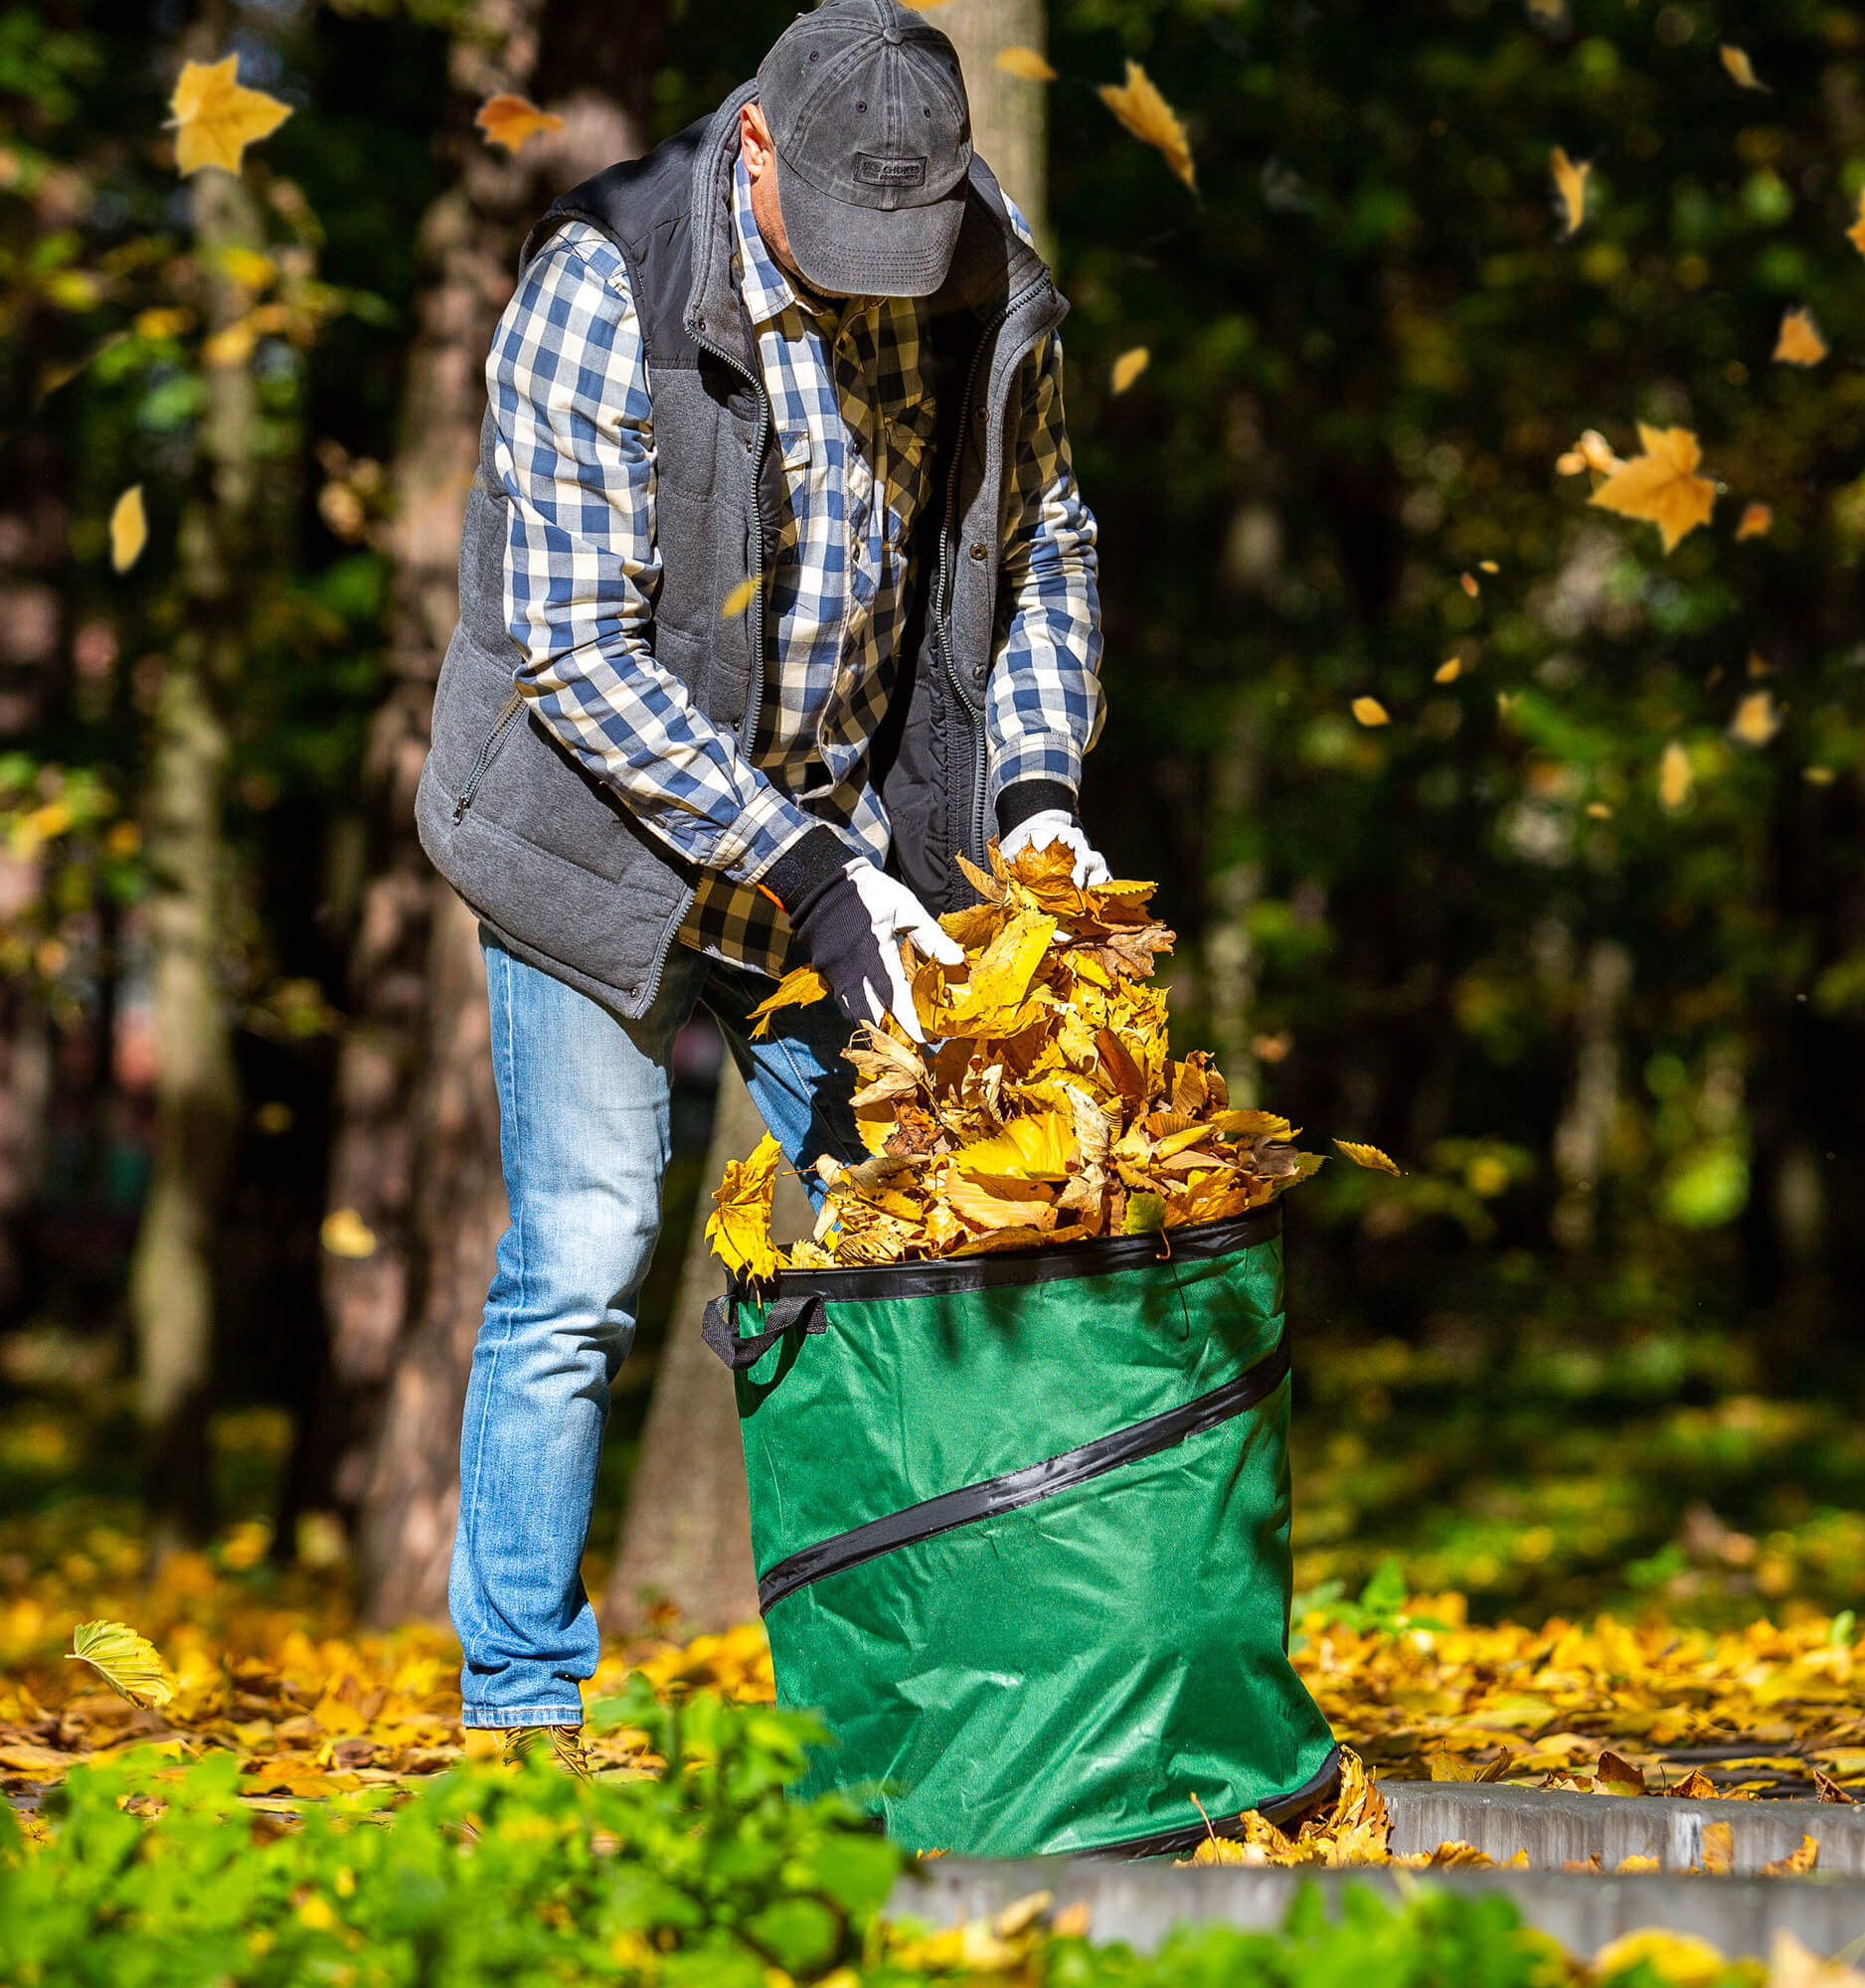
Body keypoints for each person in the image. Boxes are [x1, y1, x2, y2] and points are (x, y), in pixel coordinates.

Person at [416, 0, 1108, 1760]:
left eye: (918, 240)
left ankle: (925, 1708)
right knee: (580, 1256)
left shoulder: (986, 278)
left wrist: (1030, 792)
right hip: (598, 840)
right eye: (848, 245)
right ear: (752, 152)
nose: (891, 283)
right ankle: (520, 1718)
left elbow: (1044, 545)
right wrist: (797, 869)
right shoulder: (604, 284)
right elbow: (567, 649)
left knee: (921, 1237)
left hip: (848, 844)